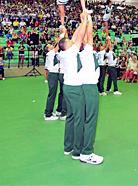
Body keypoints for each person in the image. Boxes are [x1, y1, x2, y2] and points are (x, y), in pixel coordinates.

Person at [58, 12, 87, 160]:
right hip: (75, 89)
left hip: (68, 87)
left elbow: (75, 37)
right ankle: (77, 151)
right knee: (79, 118)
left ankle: (67, 147)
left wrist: (80, 22)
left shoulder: (64, 53)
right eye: (69, 41)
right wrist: (85, 20)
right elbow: (80, 37)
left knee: (70, 117)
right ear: (67, 46)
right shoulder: (69, 53)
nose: (72, 41)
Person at [78, 13, 103, 165]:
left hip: (83, 87)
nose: (88, 40)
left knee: (84, 118)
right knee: (91, 119)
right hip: (89, 88)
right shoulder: (87, 51)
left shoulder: (79, 51)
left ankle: (80, 147)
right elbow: (89, 33)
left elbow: (85, 34)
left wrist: (84, 20)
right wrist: (89, 18)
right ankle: (87, 153)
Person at [44, 38, 67, 121]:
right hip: (52, 74)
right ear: (48, 49)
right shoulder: (50, 53)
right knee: (52, 94)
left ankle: (54, 111)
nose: (51, 45)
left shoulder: (54, 53)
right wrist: (62, 33)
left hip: (56, 73)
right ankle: (48, 114)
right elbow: (58, 45)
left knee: (55, 93)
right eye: (49, 45)